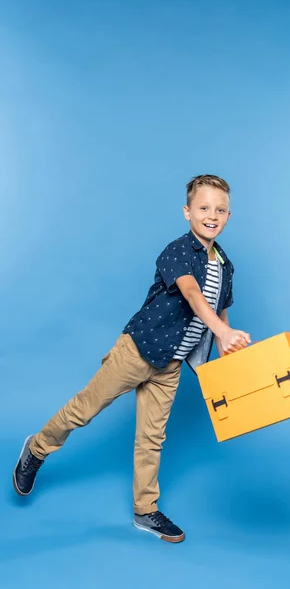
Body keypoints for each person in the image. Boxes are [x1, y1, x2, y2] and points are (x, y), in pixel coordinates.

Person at [12, 174, 251, 543]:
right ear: (187, 212)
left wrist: (226, 341)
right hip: (138, 350)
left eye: (220, 209)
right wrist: (220, 330)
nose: (211, 215)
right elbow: (190, 292)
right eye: (203, 207)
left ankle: (145, 511)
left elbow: (220, 313)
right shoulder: (177, 250)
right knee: (83, 410)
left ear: (229, 216)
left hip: (171, 364)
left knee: (152, 438)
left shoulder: (226, 266)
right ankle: (36, 448)